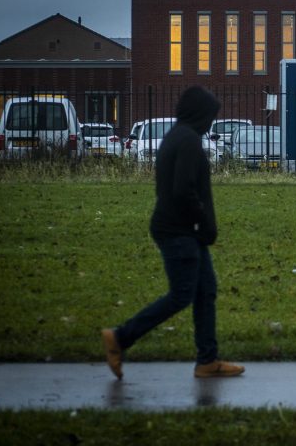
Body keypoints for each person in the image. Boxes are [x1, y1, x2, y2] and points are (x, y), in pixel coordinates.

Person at [102, 86, 244, 379]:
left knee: (206, 291)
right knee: (182, 295)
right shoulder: (188, 140)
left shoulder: (176, 136)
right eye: (209, 116)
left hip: (182, 229)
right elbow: (183, 191)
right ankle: (119, 338)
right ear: (198, 114)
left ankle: (208, 360)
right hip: (179, 230)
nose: (210, 124)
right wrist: (203, 221)